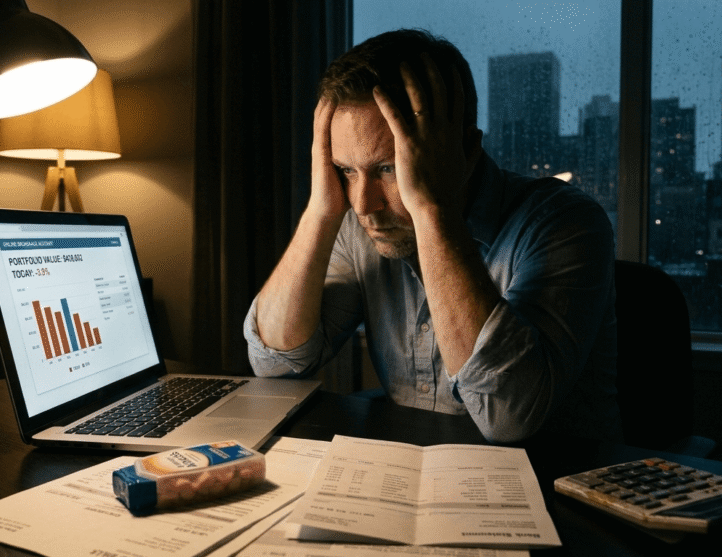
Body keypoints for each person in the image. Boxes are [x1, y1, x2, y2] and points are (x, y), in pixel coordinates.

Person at [243, 29, 621, 444]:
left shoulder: (564, 222)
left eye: (389, 168)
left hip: (551, 488)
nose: (364, 204)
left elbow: (508, 415)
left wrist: (433, 213)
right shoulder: (359, 224)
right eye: (347, 170)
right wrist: (320, 211)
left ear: (466, 151)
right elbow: (276, 362)